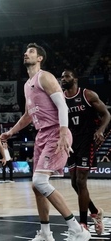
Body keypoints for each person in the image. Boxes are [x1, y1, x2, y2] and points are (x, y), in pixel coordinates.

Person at [1, 43, 91, 241]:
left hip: (56, 132)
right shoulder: (27, 84)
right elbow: (27, 116)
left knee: (40, 181)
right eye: (25, 51)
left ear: (40, 58)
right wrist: (10, 132)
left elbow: (62, 106)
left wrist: (62, 133)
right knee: (37, 187)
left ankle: (77, 229)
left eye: (31, 51)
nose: (26, 53)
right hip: (42, 135)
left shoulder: (46, 77)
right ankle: (45, 233)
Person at [62, 69, 110, 235]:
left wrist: (101, 130)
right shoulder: (60, 98)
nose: (63, 79)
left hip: (87, 141)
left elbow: (106, 114)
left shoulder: (88, 95)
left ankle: (83, 223)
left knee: (81, 181)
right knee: (74, 183)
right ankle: (96, 212)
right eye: (61, 76)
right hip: (70, 143)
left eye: (66, 76)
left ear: (75, 79)